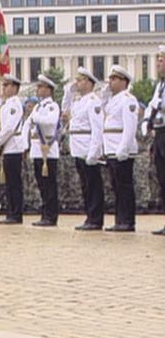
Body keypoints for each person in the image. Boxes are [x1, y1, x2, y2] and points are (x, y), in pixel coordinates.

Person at [62, 67, 105, 231]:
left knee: (93, 185)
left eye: (79, 80)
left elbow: (97, 127)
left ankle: (95, 219)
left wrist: (94, 151)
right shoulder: (79, 101)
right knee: (85, 185)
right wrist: (69, 92)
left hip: (88, 148)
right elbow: (65, 111)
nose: (77, 83)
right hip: (78, 148)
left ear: (89, 82)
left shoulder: (93, 100)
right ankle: (90, 216)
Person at [102, 65, 139, 233]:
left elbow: (130, 126)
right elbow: (105, 112)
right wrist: (104, 94)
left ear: (124, 82)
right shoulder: (113, 100)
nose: (111, 82)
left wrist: (123, 148)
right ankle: (120, 219)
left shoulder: (128, 99)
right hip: (111, 148)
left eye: (114, 79)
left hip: (122, 149)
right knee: (116, 186)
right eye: (111, 78)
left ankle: (127, 221)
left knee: (124, 186)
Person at [27, 75, 62, 227]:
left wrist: (35, 116)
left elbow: (51, 121)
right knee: (41, 184)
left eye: (40, 86)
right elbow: (29, 125)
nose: (38, 89)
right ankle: (45, 213)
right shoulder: (38, 107)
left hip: (48, 148)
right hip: (37, 149)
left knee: (50, 185)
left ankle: (51, 215)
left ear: (48, 89)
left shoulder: (52, 106)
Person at [0, 75, 26, 225]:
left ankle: (16, 213)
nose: (4, 88)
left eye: (6, 85)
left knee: (14, 182)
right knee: (9, 183)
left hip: (13, 146)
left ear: (14, 87)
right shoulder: (6, 105)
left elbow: (9, 128)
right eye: (3, 85)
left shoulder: (15, 104)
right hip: (7, 147)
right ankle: (11, 211)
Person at [145, 46, 165, 236]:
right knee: (162, 178)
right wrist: (146, 122)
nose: (158, 63)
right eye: (158, 59)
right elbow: (152, 105)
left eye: (161, 59)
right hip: (160, 135)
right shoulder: (159, 86)